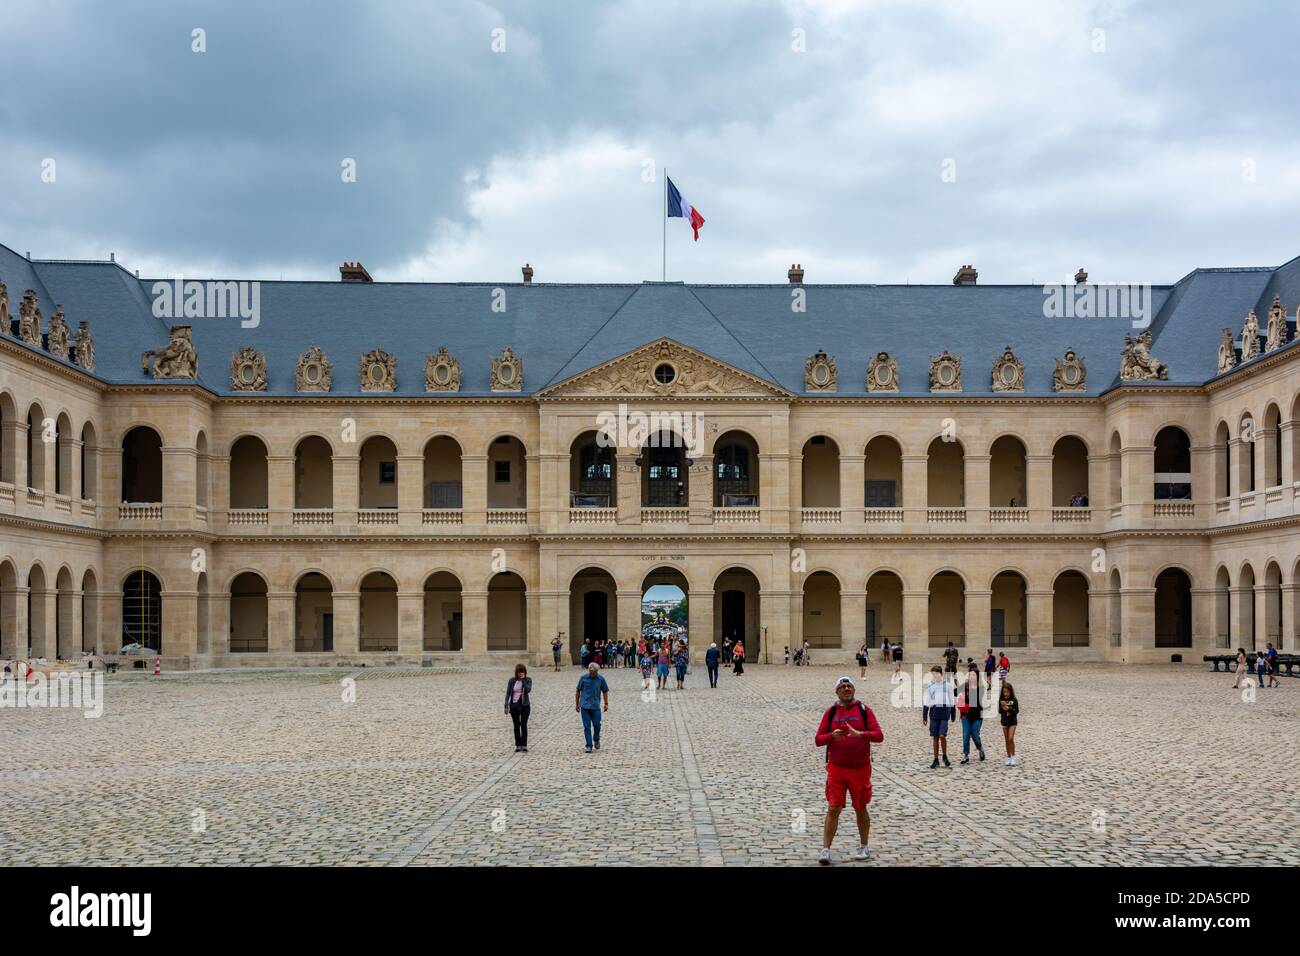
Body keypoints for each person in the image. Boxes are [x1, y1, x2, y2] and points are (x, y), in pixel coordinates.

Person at [815, 676, 884, 864]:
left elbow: (879, 736)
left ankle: (864, 846)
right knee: (833, 808)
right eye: (842, 686)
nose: (846, 688)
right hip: (836, 769)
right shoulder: (831, 713)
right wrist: (831, 736)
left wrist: (859, 734)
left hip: (860, 769)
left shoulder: (864, 710)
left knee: (861, 807)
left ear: (853, 689)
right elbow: (818, 740)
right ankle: (825, 850)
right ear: (837, 691)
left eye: (849, 686)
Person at [922, 665, 955, 769]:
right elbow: (926, 701)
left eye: (936, 674)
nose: (935, 676)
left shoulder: (948, 686)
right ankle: (936, 759)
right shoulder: (930, 686)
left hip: (945, 713)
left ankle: (944, 756)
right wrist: (925, 716)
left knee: (942, 735)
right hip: (934, 713)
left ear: (941, 674)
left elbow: (952, 700)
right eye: (933, 674)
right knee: (935, 737)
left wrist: (953, 713)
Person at [575, 662, 610, 753]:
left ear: (597, 672)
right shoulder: (583, 678)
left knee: (597, 724)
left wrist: (606, 703)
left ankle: (596, 739)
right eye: (590, 672)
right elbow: (578, 691)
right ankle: (589, 745)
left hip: (595, 706)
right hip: (585, 706)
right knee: (587, 726)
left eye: (593, 673)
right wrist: (577, 704)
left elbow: (605, 691)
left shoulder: (601, 679)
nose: (592, 674)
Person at [958, 663, 986, 764]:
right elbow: (954, 692)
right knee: (966, 735)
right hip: (965, 715)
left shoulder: (981, 688)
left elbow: (974, 700)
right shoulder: (964, 687)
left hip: (977, 715)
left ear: (977, 677)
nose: (971, 677)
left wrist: (966, 691)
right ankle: (966, 754)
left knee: (975, 734)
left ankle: (980, 748)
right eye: (970, 675)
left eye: (974, 675)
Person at [504, 663, 533, 753]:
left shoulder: (528, 680)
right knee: (516, 725)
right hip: (514, 705)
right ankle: (518, 745)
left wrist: (523, 680)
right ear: (516, 672)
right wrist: (506, 705)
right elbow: (508, 693)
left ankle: (524, 745)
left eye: (522, 672)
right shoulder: (512, 681)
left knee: (523, 725)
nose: (521, 673)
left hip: (525, 705)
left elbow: (528, 690)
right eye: (519, 672)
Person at [998, 681, 1020, 766]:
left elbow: (1016, 711)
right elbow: (999, 711)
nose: (1006, 693)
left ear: (1011, 691)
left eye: (1007, 692)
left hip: (1012, 722)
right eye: (1004, 692)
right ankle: (1008, 757)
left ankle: (1013, 756)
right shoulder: (1001, 700)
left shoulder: (1014, 700)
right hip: (1004, 722)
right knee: (1007, 740)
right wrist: (1003, 708)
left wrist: (1008, 708)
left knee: (1011, 738)